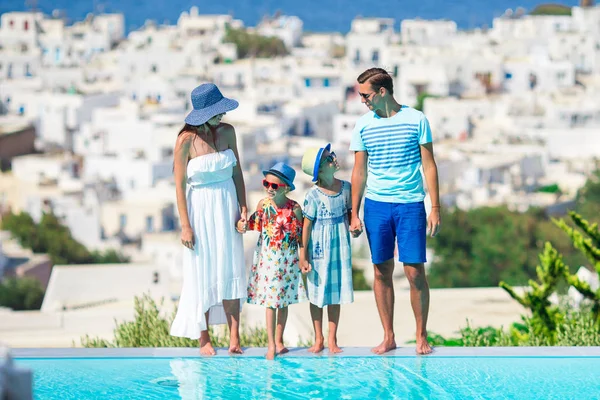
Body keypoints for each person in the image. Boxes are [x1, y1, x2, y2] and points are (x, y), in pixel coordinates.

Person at [349, 68, 441, 355]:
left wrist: (435, 207)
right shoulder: (363, 125)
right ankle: (388, 336)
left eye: (365, 94)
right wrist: (354, 212)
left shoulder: (417, 120)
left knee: (415, 273)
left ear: (382, 92)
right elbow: (359, 171)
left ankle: (421, 335)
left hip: (410, 204)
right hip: (376, 206)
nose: (362, 99)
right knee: (381, 272)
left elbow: (429, 165)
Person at [170, 83, 248, 356]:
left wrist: (244, 209)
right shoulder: (185, 142)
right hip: (199, 210)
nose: (221, 116)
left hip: (227, 206)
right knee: (200, 272)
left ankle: (234, 338)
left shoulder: (228, 132)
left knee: (231, 269)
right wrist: (185, 226)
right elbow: (179, 186)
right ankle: (204, 339)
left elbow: (238, 174)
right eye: (217, 112)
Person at [237, 162, 307, 360]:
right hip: (268, 259)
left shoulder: (295, 209)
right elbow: (253, 224)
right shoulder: (263, 205)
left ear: (285, 187)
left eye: (274, 186)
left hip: (287, 260)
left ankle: (279, 341)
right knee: (270, 303)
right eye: (266, 184)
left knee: (283, 303)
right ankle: (270, 344)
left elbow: (300, 236)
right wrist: (241, 224)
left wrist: (303, 257)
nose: (269, 188)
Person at [299, 144, 354, 354]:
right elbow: (306, 226)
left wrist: (354, 227)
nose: (333, 158)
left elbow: (350, 215)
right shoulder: (312, 195)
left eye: (331, 155)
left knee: (334, 293)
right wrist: (303, 255)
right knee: (317, 293)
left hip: (339, 247)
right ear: (319, 171)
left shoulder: (346, 188)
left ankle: (332, 338)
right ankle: (318, 337)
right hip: (319, 249)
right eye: (328, 158)